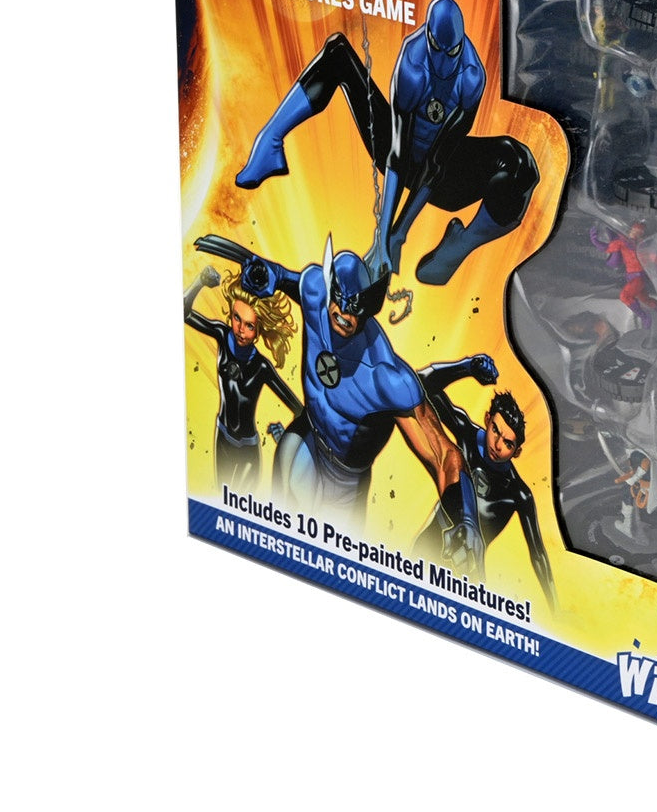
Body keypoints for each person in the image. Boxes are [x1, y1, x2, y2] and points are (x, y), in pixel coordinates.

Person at [194, 233, 483, 573]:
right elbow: (283, 278)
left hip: (345, 480)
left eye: (354, 309)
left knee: (331, 565)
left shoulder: (385, 378)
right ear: (330, 289)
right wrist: (266, 274)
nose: (343, 313)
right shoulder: (315, 290)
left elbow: (442, 452)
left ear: (368, 310)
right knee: (277, 545)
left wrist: (467, 519)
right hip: (306, 440)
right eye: (340, 301)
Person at [235, 0, 537, 286]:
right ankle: (270, 142)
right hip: (394, 152)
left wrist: (398, 234)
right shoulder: (413, 63)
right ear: (428, 38)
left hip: (446, 180)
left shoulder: (471, 76)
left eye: (452, 53)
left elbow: (439, 158)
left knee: (520, 163)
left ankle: (461, 244)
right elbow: (397, 150)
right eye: (437, 49)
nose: (444, 62)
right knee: (337, 52)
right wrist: (382, 236)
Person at [415, 355, 557, 611]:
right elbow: (421, 384)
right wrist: (467, 367)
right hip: (427, 548)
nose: (497, 445)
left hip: (467, 572)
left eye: (508, 443)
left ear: (517, 451)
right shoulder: (467, 433)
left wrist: (554, 608)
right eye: (496, 431)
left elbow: (538, 555)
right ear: (488, 418)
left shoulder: (519, 493)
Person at [183, 264, 301, 492]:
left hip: (247, 450)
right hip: (222, 438)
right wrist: (200, 282)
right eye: (237, 318)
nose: (240, 330)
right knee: (223, 498)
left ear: (259, 331)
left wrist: (288, 440)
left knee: (239, 498)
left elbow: (299, 409)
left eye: (249, 326)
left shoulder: (261, 366)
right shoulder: (221, 334)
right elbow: (184, 313)